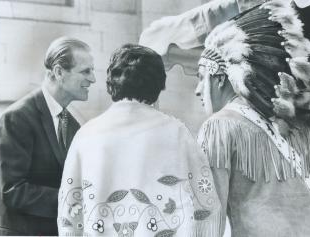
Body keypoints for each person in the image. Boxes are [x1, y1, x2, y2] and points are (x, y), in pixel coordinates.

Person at [57, 44, 221, 237]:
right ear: (158, 84)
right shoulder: (177, 133)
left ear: (111, 81)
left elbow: (70, 210)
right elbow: (206, 205)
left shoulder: (86, 135)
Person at [194, 1, 310, 236]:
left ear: (220, 80)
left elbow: (207, 213)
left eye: (201, 77)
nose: (198, 89)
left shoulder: (218, 127)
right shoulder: (296, 125)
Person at [0, 37, 95, 236]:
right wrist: (73, 199)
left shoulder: (73, 125)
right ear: (59, 72)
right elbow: (13, 191)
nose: (93, 79)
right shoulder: (16, 119)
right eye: (85, 71)